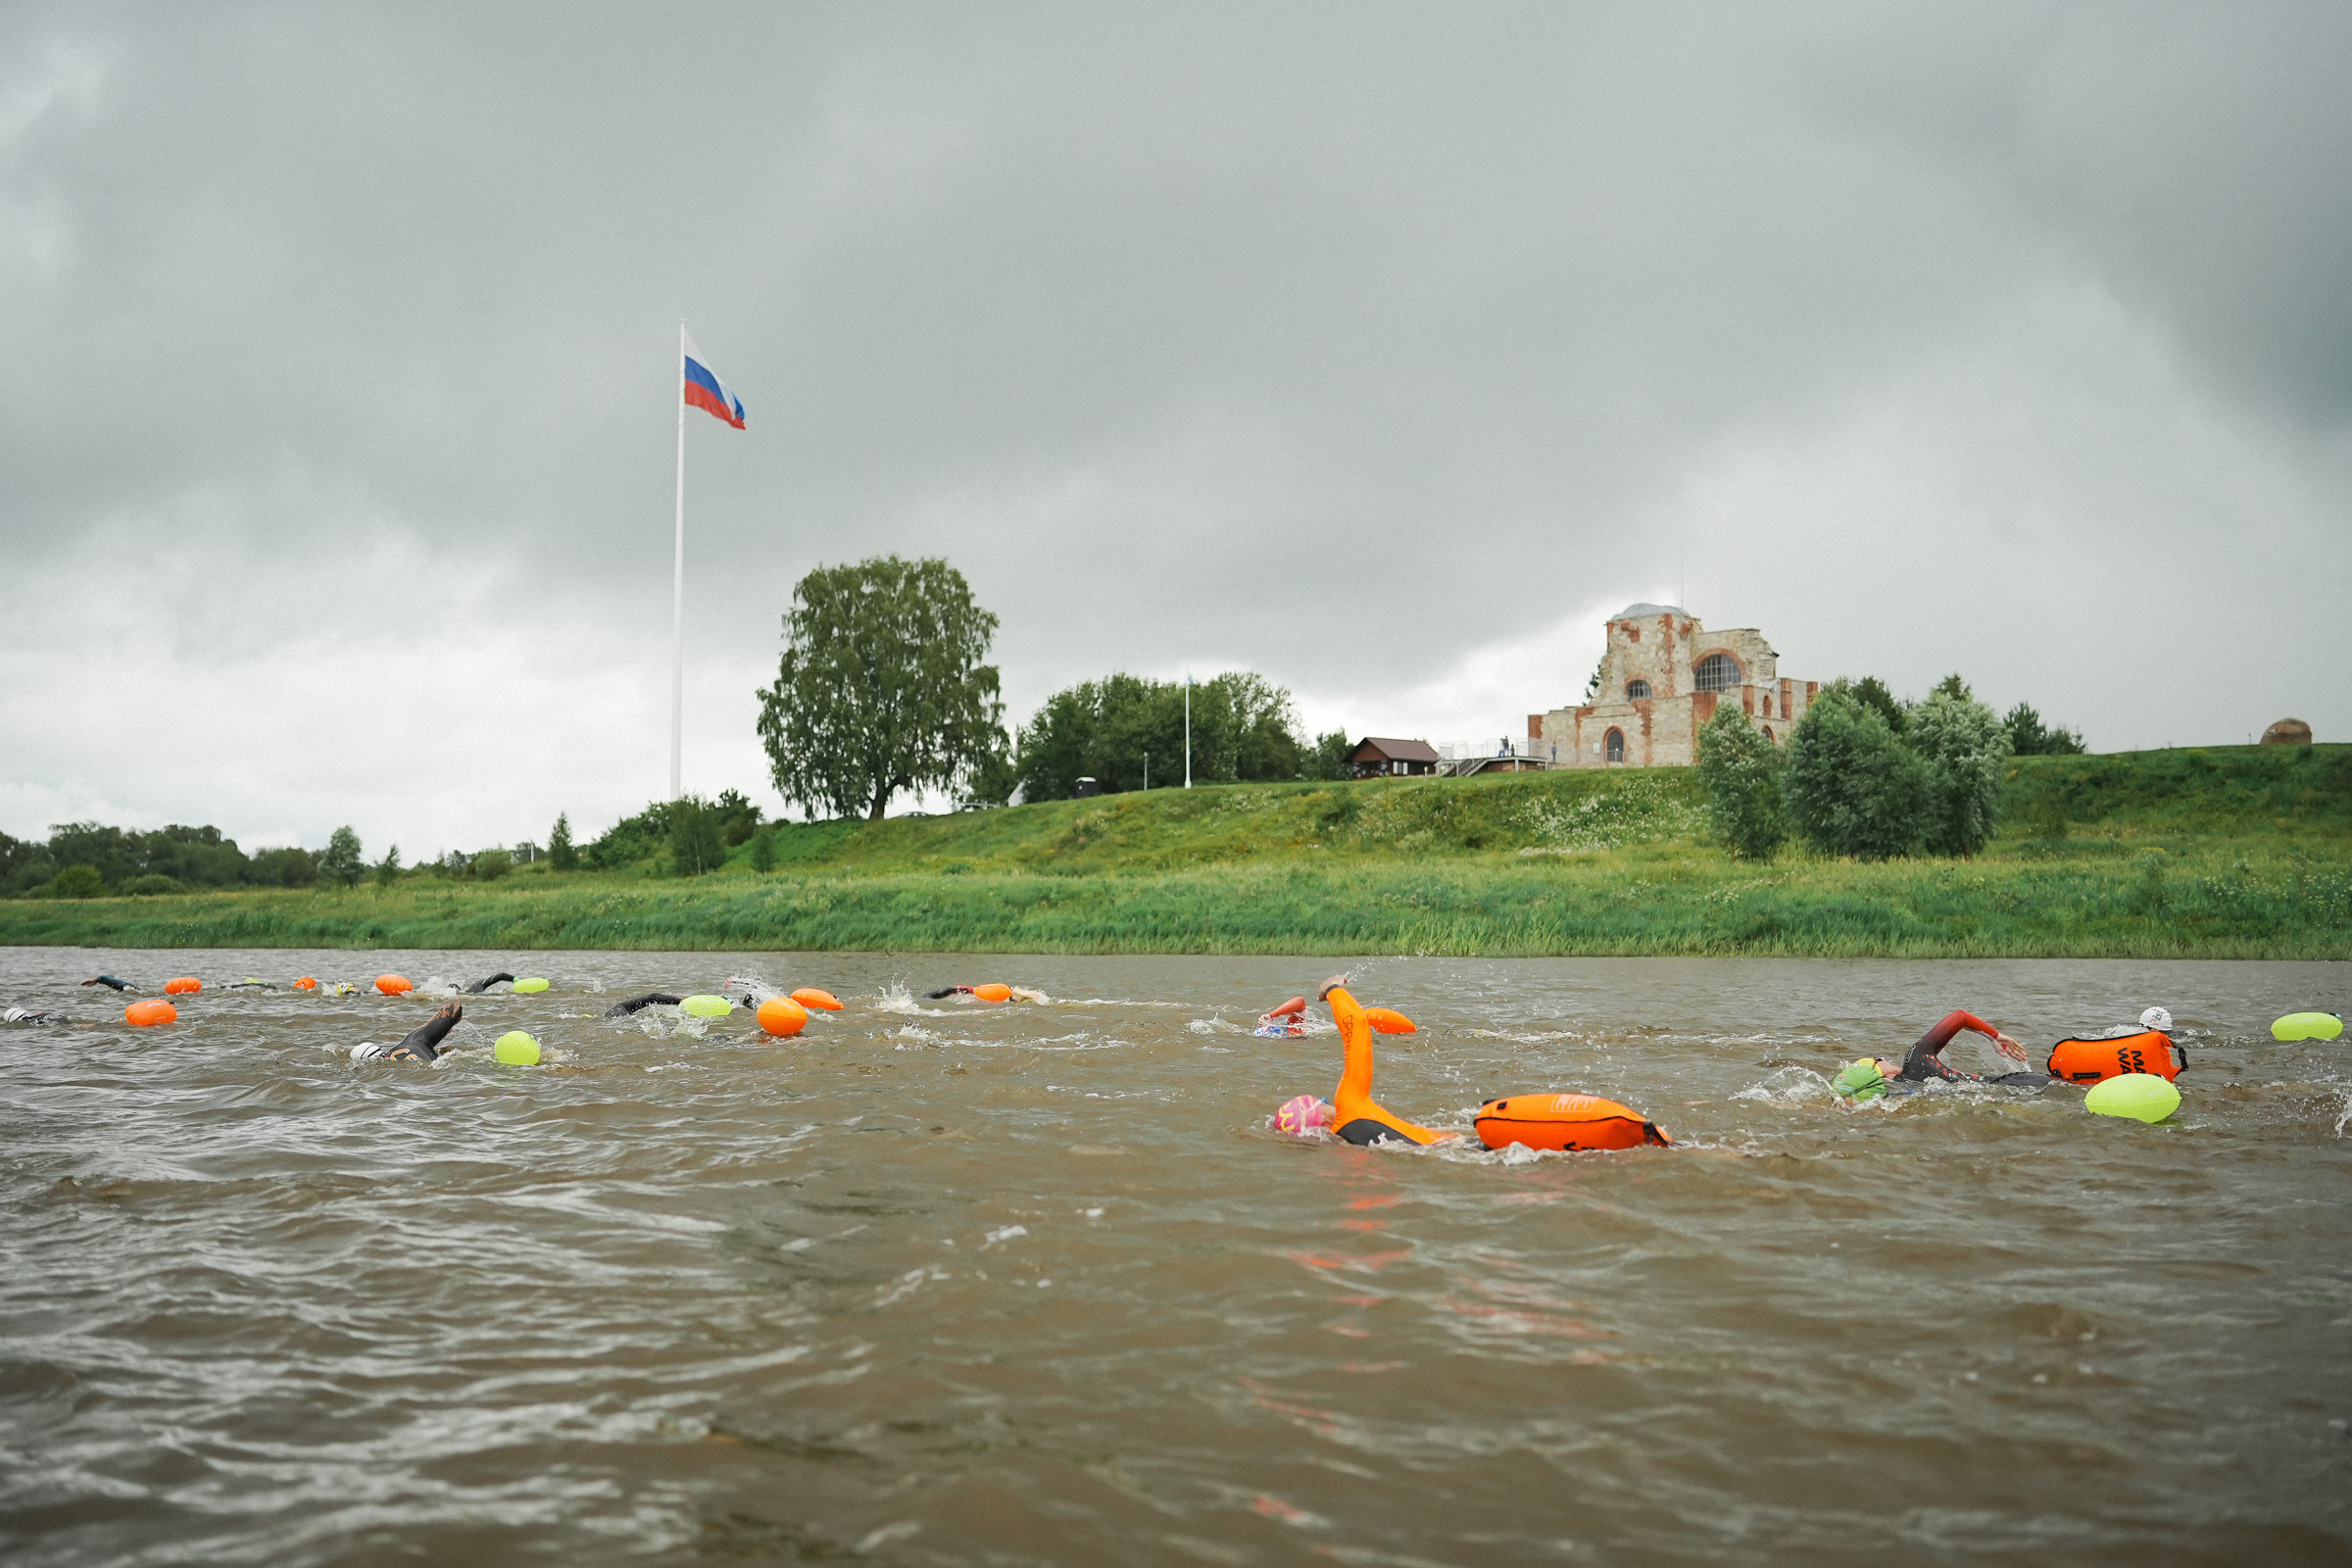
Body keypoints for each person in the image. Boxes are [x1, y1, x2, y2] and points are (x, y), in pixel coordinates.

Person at [1317, 975, 1455, 1147]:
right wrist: (1332, 988)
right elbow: (1356, 1021)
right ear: (1321, 1122)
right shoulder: (1348, 1105)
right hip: (1468, 1147)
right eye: (1319, 1103)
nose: (1324, 1102)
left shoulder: (1347, 1143)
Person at [1833, 1009, 2052, 1100]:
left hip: (2004, 1094)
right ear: (1878, 1071)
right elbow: (1960, 1016)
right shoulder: (1915, 1060)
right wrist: (1995, 1037)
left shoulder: (1903, 1096)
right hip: (2017, 1083)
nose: (1885, 1059)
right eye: (1879, 1060)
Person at [351, 1002, 464, 1063]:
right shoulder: (413, 1039)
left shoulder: (389, 1074)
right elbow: (454, 1007)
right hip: (444, 1065)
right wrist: (442, 1025)